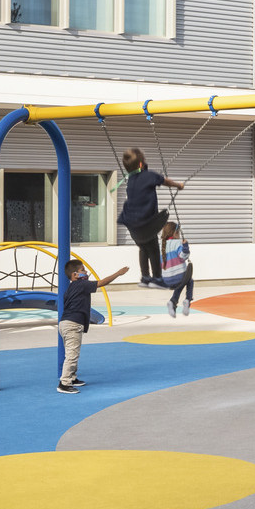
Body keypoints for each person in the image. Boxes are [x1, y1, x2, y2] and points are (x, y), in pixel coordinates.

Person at [57, 259, 128, 393]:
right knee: (72, 354)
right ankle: (64, 383)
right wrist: (118, 273)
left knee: (72, 352)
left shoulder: (71, 288)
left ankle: (72, 377)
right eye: (82, 270)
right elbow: (102, 283)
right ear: (75, 275)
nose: (85, 272)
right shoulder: (81, 284)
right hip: (72, 324)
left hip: (65, 323)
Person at [116, 148, 184, 288]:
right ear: (141, 164)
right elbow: (166, 182)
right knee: (153, 248)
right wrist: (179, 185)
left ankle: (145, 277)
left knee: (143, 248)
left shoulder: (131, 180)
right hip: (146, 223)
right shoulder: (148, 176)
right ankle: (157, 279)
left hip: (131, 224)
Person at [159, 220, 194, 317]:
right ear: (175, 233)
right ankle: (187, 300)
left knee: (179, 283)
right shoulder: (178, 243)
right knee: (189, 281)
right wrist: (185, 246)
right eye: (178, 232)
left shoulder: (160, 244)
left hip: (166, 280)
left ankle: (173, 301)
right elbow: (183, 256)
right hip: (179, 277)